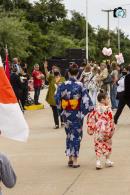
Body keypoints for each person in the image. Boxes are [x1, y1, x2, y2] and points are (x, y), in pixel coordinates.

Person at [55, 64, 93, 168]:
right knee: (76, 135)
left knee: (69, 135)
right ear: (77, 73)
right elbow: (86, 100)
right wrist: (84, 111)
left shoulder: (62, 85)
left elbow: (57, 99)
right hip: (76, 113)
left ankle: (70, 158)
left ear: (68, 73)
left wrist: (61, 110)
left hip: (66, 114)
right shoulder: (80, 85)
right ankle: (75, 160)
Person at [87, 91, 115, 169]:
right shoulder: (108, 109)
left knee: (98, 145)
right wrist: (112, 129)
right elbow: (111, 119)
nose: (108, 100)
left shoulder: (95, 109)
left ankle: (98, 161)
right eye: (107, 99)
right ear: (102, 100)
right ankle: (107, 160)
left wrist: (91, 129)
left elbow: (91, 119)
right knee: (108, 144)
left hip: (98, 130)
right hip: (106, 129)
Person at [44, 61, 65, 129]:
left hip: (60, 98)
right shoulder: (52, 78)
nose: (55, 71)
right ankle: (57, 124)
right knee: (55, 111)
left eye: (56, 70)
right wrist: (45, 68)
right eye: (54, 70)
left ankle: (62, 122)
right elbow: (47, 75)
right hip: (54, 98)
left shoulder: (63, 79)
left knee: (61, 110)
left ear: (59, 71)